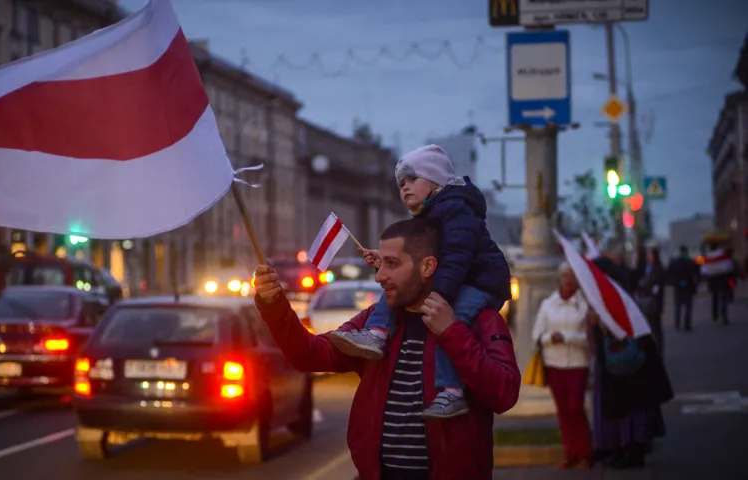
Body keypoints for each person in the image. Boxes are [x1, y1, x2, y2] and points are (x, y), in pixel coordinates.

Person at [254, 218, 520, 480]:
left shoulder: (480, 320)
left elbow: (504, 393)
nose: (380, 276)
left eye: (392, 264)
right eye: (381, 263)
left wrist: (451, 332)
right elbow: (308, 354)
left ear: (427, 266)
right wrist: (274, 303)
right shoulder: (376, 324)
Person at [329, 144, 511, 418]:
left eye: (412, 179)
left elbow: (456, 257)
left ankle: (452, 392)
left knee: (451, 321)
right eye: (401, 183)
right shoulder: (431, 213)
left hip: (482, 281)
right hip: (457, 277)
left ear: (435, 180)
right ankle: (376, 334)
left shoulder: (456, 209)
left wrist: (438, 296)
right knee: (400, 285)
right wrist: (387, 259)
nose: (405, 188)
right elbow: (422, 257)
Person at [590, 241, 673, 469]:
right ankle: (623, 449)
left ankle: (632, 451)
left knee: (631, 409)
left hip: (629, 362)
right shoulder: (615, 292)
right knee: (626, 408)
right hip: (625, 362)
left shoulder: (617, 296)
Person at [531, 263, 593, 469]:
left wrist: (566, 338)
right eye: (565, 276)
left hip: (577, 363)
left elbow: (588, 338)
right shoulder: (549, 304)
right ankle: (570, 452)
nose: (568, 280)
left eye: (572, 276)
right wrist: (551, 338)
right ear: (559, 278)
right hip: (554, 364)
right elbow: (537, 335)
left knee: (576, 408)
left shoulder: (584, 305)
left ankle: (585, 452)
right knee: (563, 410)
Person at [635, 246, 665, 353]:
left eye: (651, 255)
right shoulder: (646, 267)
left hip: (655, 302)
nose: (649, 257)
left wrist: (647, 287)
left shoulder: (658, 268)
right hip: (648, 303)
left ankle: (659, 349)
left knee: (656, 328)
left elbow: (656, 286)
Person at [666, 245, 699, 332]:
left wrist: (673, 282)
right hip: (688, 286)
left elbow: (669, 273)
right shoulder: (691, 261)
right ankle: (686, 325)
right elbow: (696, 274)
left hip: (678, 286)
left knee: (678, 306)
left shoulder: (674, 261)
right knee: (688, 307)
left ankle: (677, 325)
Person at [700, 242, 733, 325]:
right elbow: (729, 267)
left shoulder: (707, 257)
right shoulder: (723, 254)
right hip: (723, 278)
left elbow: (704, 271)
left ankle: (715, 317)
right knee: (723, 298)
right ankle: (724, 317)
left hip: (712, 280)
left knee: (715, 299)